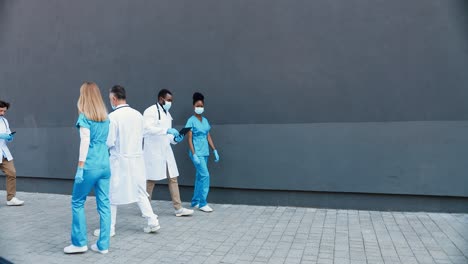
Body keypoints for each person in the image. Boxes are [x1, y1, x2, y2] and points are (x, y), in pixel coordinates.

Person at [93, 85, 160, 237]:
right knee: (140, 192)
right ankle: (152, 221)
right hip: (137, 159)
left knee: (111, 193)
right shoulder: (138, 115)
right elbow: (143, 135)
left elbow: (109, 141)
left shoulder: (112, 117)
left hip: (119, 160)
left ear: (114, 99)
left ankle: (109, 228)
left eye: (110, 99)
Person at [64, 82, 111, 254]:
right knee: (104, 205)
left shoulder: (84, 117)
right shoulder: (106, 118)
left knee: (77, 202)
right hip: (105, 164)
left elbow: (85, 142)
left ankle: (79, 243)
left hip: (90, 165)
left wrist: (80, 167)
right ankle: (103, 245)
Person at [143, 89, 194, 217]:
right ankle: (146, 209)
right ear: (161, 99)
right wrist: (167, 130)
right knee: (151, 180)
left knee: (173, 178)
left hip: (165, 151)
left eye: (171, 100)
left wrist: (175, 139)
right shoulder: (150, 111)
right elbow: (146, 129)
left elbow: (168, 136)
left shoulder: (167, 114)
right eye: (169, 100)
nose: (170, 102)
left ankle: (178, 208)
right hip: (153, 151)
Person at [185, 92, 220, 212]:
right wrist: (193, 154)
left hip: (205, 152)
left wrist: (214, 150)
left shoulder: (205, 120)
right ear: (193, 106)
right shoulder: (191, 121)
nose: (199, 108)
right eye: (197, 106)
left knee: (200, 177)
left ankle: (195, 201)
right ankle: (203, 203)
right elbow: (189, 138)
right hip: (197, 153)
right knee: (205, 175)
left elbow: (208, 135)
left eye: (201, 106)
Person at [0, 100, 24, 206]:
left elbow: (7, 133)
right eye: (0, 110)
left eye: (4, 111)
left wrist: (9, 137)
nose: (2, 113)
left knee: (12, 172)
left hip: (4, 152)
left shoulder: (4, 121)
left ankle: (11, 198)